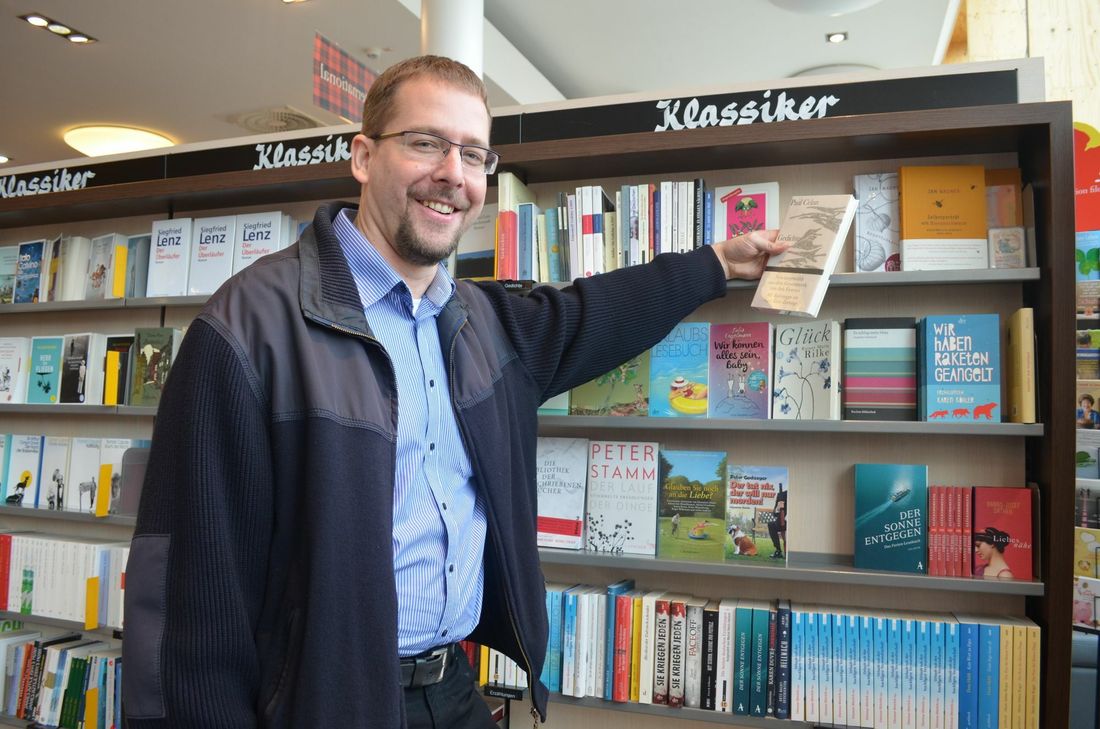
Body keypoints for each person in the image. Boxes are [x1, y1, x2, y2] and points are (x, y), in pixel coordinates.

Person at [122, 55, 786, 729]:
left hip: (452, 690)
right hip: (324, 701)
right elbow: (188, 591)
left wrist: (718, 264)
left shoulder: (483, 325)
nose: (453, 174)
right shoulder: (248, 327)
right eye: (425, 142)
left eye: (473, 154)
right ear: (362, 157)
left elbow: (599, 313)